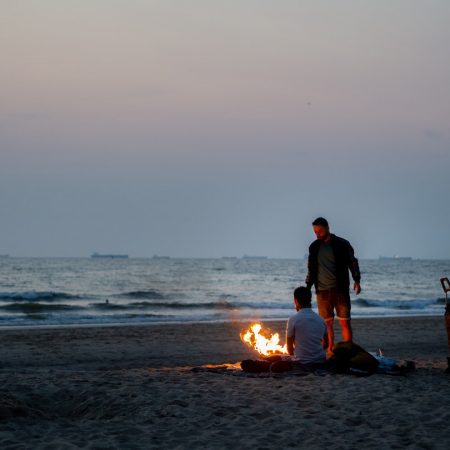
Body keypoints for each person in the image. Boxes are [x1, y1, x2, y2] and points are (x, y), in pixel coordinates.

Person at [305, 217, 361, 356]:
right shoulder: (314, 247)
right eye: (315, 231)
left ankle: (348, 349)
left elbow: (352, 262)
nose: (317, 234)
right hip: (322, 291)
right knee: (326, 324)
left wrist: (357, 280)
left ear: (327, 227)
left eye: (320, 231)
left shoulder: (342, 244)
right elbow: (311, 269)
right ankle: (330, 349)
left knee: (344, 322)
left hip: (340, 290)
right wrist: (307, 287)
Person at [240, 286, 328, 373]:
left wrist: (297, 356)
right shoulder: (321, 320)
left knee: (270, 359)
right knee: (278, 357)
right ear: (310, 300)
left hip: (300, 361)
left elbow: (290, 348)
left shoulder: (294, 319)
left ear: (296, 301)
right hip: (319, 361)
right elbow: (326, 344)